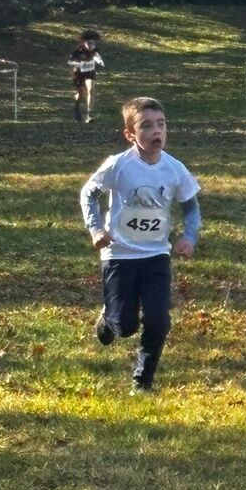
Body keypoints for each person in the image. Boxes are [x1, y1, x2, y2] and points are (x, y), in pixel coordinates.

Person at [80, 96, 201, 392]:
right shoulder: (118, 165)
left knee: (158, 320)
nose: (156, 131)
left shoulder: (174, 168)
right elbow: (88, 193)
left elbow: (191, 207)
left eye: (161, 124)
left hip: (156, 255)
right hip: (119, 254)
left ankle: (142, 381)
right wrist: (96, 229)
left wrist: (189, 237)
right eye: (146, 126)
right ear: (130, 135)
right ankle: (109, 319)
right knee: (125, 326)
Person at [68, 29, 105, 124]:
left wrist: (99, 61)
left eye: (93, 43)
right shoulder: (78, 50)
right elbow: (70, 61)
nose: (91, 46)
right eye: (89, 43)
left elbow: (95, 55)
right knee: (81, 95)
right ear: (84, 42)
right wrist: (80, 64)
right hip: (78, 73)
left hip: (90, 72)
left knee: (91, 90)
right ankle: (77, 107)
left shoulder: (95, 49)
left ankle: (88, 115)